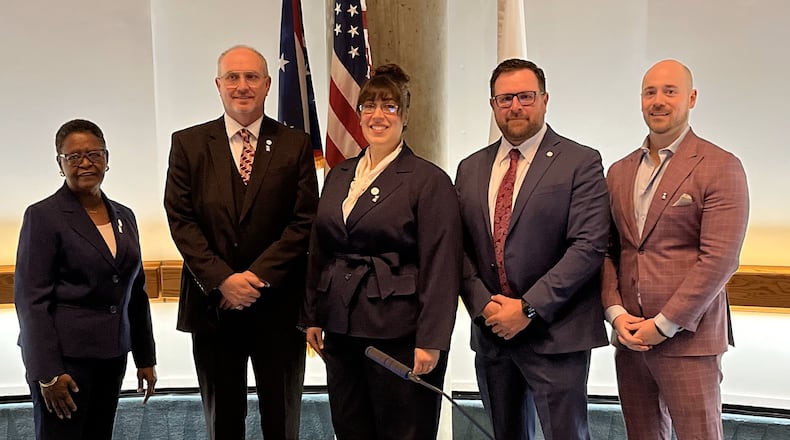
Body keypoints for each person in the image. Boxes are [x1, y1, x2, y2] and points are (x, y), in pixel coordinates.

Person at [164, 45, 318, 440]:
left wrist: (256, 277)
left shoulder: (295, 144)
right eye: (233, 77)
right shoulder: (188, 144)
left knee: (282, 422)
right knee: (223, 423)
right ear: (218, 85)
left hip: (279, 308)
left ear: (267, 85)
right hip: (213, 307)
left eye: (252, 77)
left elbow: (304, 222)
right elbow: (181, 220)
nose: (242, 86)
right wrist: (223, 280)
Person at [302, 64, 462, 440]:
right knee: (350, 426)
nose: (377, 115)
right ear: (358, 116)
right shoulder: (340, 175)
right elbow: (319, 248)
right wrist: (311, 314)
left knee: (402, 429)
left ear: (404, 117)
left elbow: (442, 265)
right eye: (369, 106)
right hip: (341, 325)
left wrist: (432, 340)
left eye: (389, 107)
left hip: (400, 330)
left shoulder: (428, 179)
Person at [455, 58, 610, 440]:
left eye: (525, 96)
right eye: (505, 98)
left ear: (544, 99)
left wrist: (528, 308)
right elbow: (458, 249)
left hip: (555, 334)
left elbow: (588, 246)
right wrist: (484, 305)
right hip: (492, 335)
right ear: (492, 105)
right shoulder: (470, 168)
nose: (516, 107)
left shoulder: (581, 162)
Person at [601, 59, 749, 440]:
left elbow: (720, 259)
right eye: (650, 92)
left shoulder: (721, 166)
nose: (658, 101)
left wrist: (663, 325)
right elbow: (607, 249)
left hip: (689, 340)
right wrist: (616, 314)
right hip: (631, 338)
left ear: (692, 98)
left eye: (670, 91)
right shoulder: (619, 172)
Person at [14, 119, 157, 439]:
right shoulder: (43, 216)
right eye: (74, 156)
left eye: (94, 154)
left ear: (107, 158)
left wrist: (145, 357)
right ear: (59, 163)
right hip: (64, 362)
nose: (86, 163)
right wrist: (48, 372)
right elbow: (31, 300)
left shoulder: (125, 216)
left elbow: (135, 290)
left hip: (111, 356)